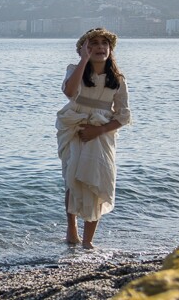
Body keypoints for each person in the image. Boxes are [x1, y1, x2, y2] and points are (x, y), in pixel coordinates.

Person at [56, 27, 131, 248]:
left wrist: (97, 131)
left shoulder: (117, 79)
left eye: (104, 44)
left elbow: (124, 116)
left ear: (110, 49)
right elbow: (70, 93)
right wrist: (83, 61)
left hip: (101, 132)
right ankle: (72, 230)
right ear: (84, 49)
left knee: (97, 179)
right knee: (73, 177)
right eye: (94, 44)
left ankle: (88, 241)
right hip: (74, 127)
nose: (100, 47)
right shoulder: (74, 69)